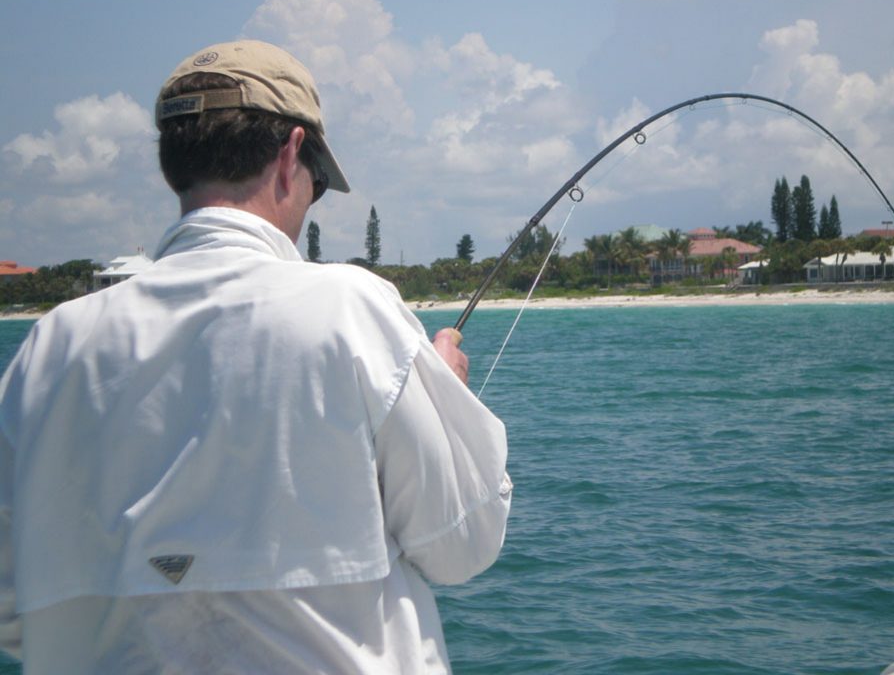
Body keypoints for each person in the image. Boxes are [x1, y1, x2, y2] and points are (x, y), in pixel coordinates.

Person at [0, 40, 512, 673]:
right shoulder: (351, 309)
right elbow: (462, 545)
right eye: (318, 184)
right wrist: (448, 391)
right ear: (291, 153)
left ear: (174, 167)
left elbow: (12, 607)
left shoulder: (46, 348)